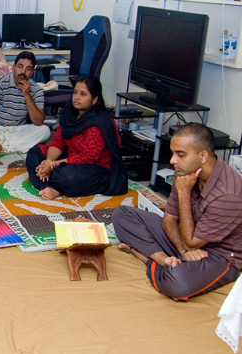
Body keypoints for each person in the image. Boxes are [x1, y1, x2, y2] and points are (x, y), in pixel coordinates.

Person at [113, 123, 242, 300]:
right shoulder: (185, 173)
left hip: (221, 255)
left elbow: (192, 242)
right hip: (187, 238)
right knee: (122, 214)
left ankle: (143, 256)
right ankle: (162, 259)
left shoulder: (228, 194)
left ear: (203, 156)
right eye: (173, 153)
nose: (173, 160)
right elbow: (169, 220)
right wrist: (183, 251)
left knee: (178, 283)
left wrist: (183, 192)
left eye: (180, 154)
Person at [25, 76, 128, 200]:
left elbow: (88, 157)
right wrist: (48, 162)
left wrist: (53, 165)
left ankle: (50, 184)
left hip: (95, 168)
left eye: (83, 94)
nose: (77, 97)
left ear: (94, 99)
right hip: (70, 159)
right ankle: (47, 185)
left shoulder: (99, 122)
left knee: (67, 177)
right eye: (75, 92)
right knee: (34, 153)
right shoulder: (70, 114)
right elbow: (59, 141)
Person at [0, 51, 50, 165]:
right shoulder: (0, 82)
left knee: (45, 130)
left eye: (28, 69)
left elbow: (38, 121)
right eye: (20, 67)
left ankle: (3, 148)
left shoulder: (36, 90)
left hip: (18, 130)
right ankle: (8, 148)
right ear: (13, 67)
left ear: (32, 72)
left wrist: (27, 95)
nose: (23, 72)